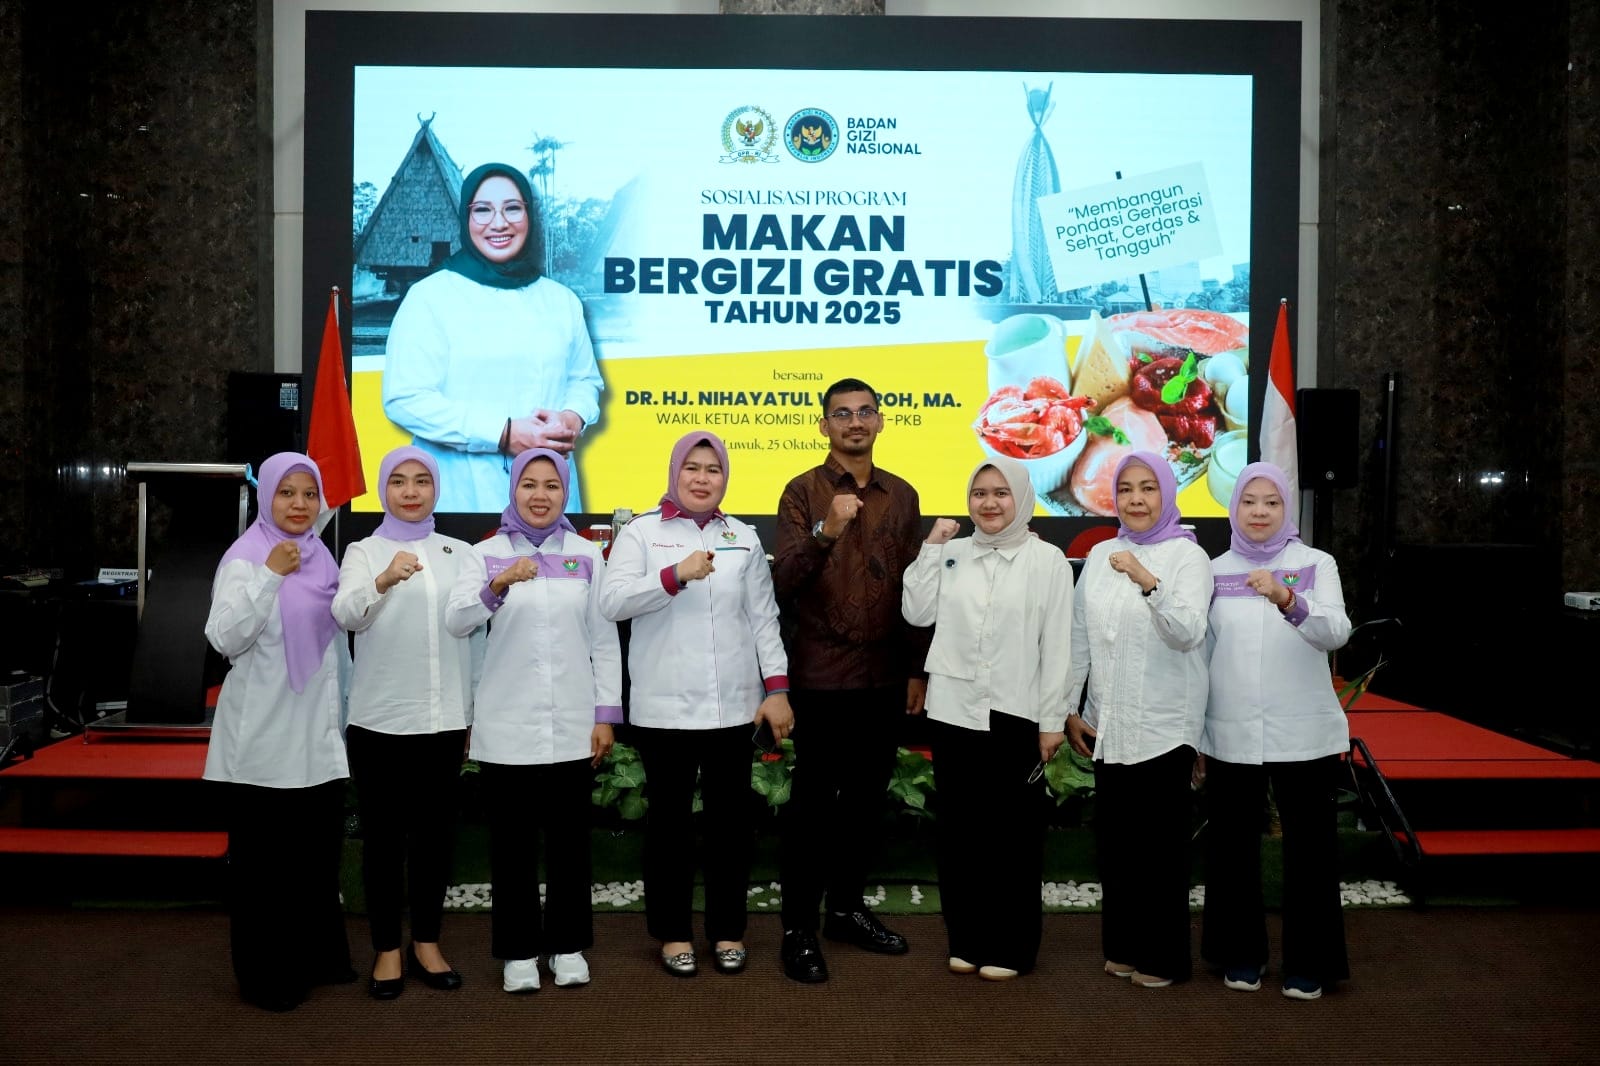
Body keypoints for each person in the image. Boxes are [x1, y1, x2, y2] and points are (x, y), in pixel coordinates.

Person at [598, 432, 793, 979]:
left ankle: (728, 930)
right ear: (674, 472)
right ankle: (673, 933)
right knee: (670, 830)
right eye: (692, 467)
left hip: (735, 708)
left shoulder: (743, 537)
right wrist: (673, 576)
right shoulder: (642, 533)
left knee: (731, 827)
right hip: (665, 711)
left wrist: (776, 689)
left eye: (713, 469)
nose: (702, 478)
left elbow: (764, 619)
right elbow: (612, 602)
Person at [444, 448, 622, 994]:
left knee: (570, 844)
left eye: (551, 485)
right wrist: (496, 586)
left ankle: (567, 945)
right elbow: (456, 621)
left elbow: (604, 640)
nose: (540, 495)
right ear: (513, 490)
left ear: (565, 491)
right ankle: (518, 952)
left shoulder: (586, 554)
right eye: (529, 484)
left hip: (572, 723)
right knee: (512, 846)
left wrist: (606, 714)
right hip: (507, 724)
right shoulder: (484, 554)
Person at [772, 376, 929, 984]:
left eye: (865, 411)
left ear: (881, 421)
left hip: (885, 675)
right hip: (822, 674)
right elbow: (784, 580)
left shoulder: (904, 495)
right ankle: (798, 929)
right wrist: (827, 531)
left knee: (865, 804)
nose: (855, 422)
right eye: (842, 414)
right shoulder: (802, 491)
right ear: (824, 426)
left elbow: (915, 591)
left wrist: (916, 668)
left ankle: (844, 911)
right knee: (812, 809)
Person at [900, 456, 1074, 980]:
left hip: (1016, 714)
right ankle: (967, 939)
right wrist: (932, 546)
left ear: (1021, 498)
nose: (990, 503)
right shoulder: (952, 553)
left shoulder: (1048, 561)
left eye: (1001, 493)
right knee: (960, 833)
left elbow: (1057, 646)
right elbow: (916, 612)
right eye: (980, 493)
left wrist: (1052, 721)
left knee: (1012, 837)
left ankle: (1011, 948)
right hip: (954, 712)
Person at [202, 452, 353, 1012]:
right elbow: (225, 638)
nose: (299, 504)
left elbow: (334, 650)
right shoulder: (246, 558)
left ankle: (317, 959)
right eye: (287, 493)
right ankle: (267, 977)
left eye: (309, 494)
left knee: (313, 861)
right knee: (265, 870)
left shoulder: (321, 557)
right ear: (266, 496)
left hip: (316, 736)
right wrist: (269, 575)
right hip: (264, 741)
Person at [1199, 461, 1352, 1001]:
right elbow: (1203, 653)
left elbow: (1337, 632)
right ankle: (1239, 953)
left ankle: (1309, 962)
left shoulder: (1315, 563)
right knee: (1231, 848)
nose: (1259, 511)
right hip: (1230, 731)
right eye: (1249, 501)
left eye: (1271, 502)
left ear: (1287, 509)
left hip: (1303, 731)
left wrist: (1289, 600)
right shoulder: (1214, 570)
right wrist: (1197, 733)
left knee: (1310, 851)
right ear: (1233, 507)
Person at [332, 446, 480, 1000]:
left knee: (434, 841)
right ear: (383, 489)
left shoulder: (460, 552)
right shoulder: (363, 551)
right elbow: (346, 614)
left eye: (422, 480)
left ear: (437, 489)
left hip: (443, 721)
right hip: (379, 721)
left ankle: (427, 943)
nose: (411, 491)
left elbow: (474, 638)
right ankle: (387, 950)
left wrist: (470, 711)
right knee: (383, 842)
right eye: (398, 481)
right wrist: (383, 580)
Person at [1064, 452, 1211, 989]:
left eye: (1148, 488)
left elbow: (1187, 632)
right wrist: (1070, 708)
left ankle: (1165, 958)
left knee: (1160, 851)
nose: (1136, 499)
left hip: (1165, 725)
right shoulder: (1102, 552)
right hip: (1110, 723)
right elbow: (1080, 635)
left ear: (1166, 493)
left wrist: (1149, 581)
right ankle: (1124, 946)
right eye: (1125, 489)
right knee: (1118, 847)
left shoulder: (1188, 557)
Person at [382, 162, 604, 514]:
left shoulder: (561, 300)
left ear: (528, 216)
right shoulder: (430, 298)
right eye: (482, 210)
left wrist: (571, 417)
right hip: (463, 497)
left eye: (512, 208)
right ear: (465, 217)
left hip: (551, 497)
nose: (499, 223)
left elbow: (584, 381)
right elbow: (405, 398)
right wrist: (503, 433)